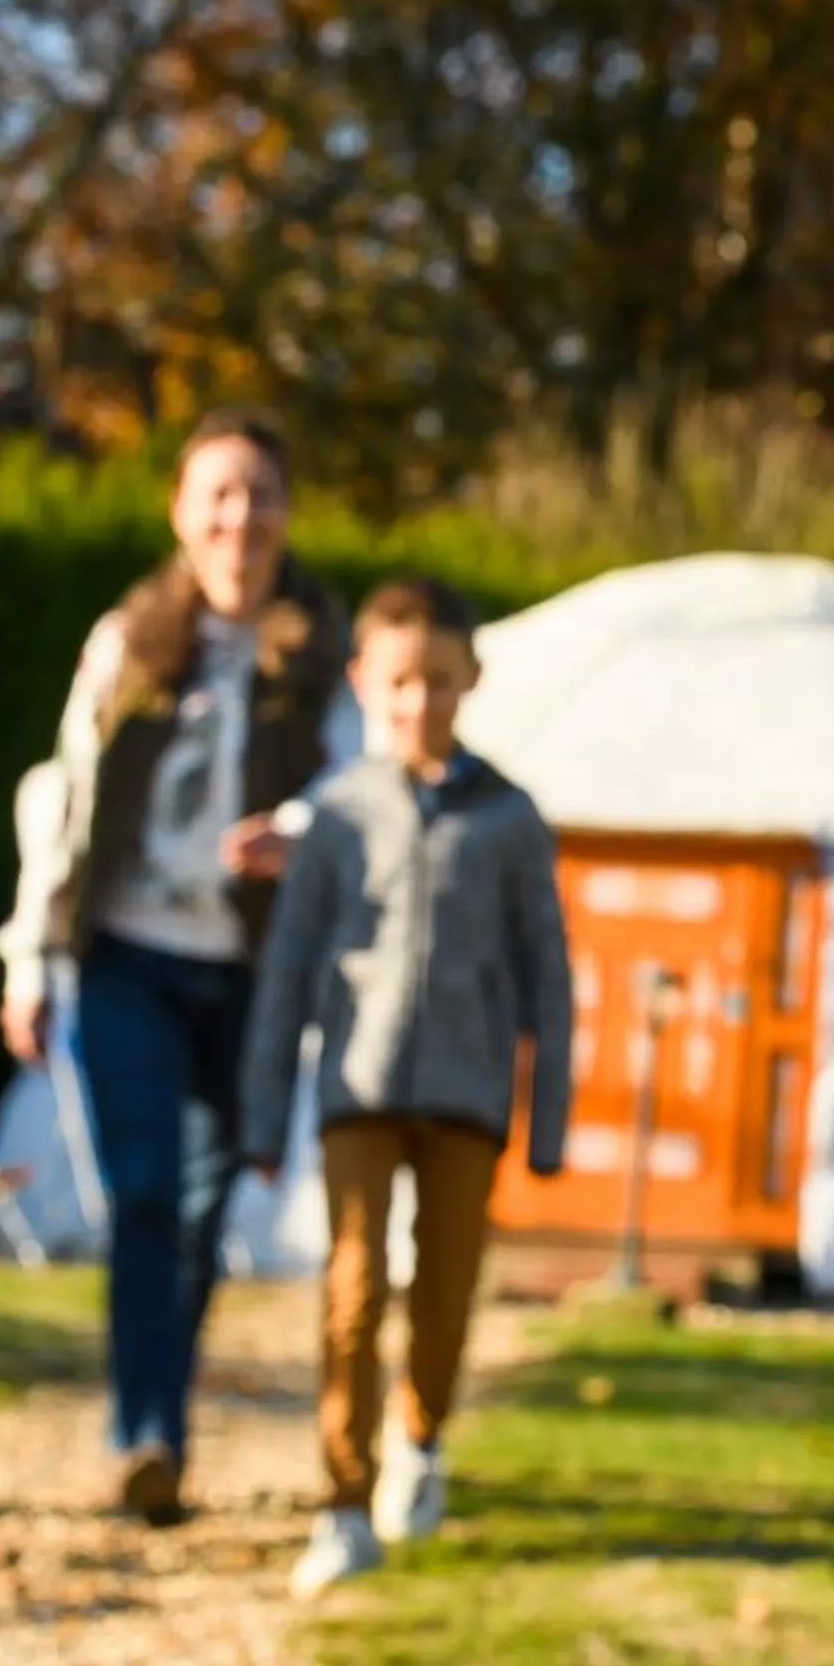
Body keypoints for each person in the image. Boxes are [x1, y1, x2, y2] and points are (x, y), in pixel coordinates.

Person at [0, 408, 358, 1525]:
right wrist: (26, 953)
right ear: (181, 511)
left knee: (207, 1204)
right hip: (130, 958)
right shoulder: (131, 640)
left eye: (259, 495)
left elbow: (353, 799)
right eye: (218, 494)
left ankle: (163, 1420)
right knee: (146, 1191)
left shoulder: (319, 655)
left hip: (247, 966)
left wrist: (294, 833)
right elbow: (62, 795)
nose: (238, 518)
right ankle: (143, 1431)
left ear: (286, 514)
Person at [238, 578, 574, 1599]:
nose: (419, 702)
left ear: (469, 678)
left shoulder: (509, 817)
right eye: (398, 683)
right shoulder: (339, 813)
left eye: (437, 680)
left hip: (468, 1090)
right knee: (351, 1287)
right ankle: (343, 1502)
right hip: (360, 1081)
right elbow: (290, 965)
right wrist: (262, 1109)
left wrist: (548, 1116)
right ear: (363, 684)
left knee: (445, 1286)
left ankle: (421, 1434)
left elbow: (547, 975)